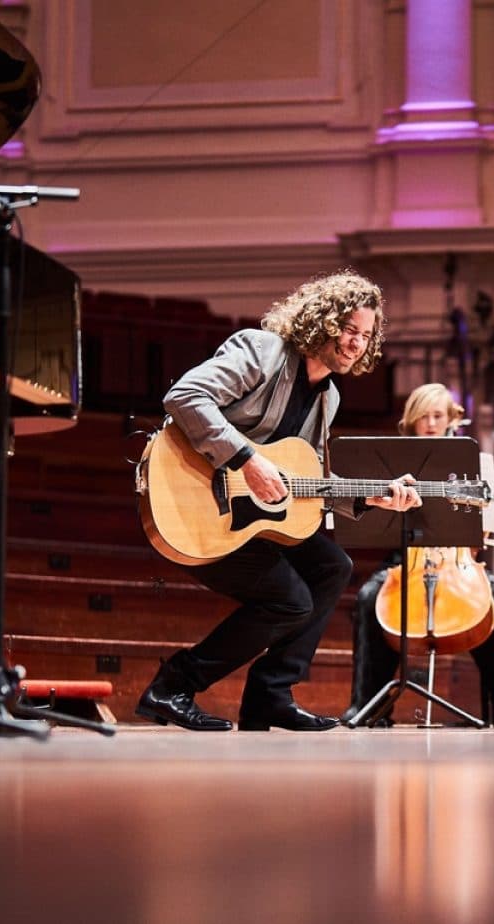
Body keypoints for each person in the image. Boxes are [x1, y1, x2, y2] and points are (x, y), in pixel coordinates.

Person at [137, 270, 422, 732]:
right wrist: (247, 460)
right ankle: (173, 685)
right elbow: (185, 395)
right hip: (192, 504)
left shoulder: (328, 397)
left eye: (365, 336)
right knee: (290, 601)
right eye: (349, 330)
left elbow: (306, 481)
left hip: (246, 518)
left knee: (332, 567)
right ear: (323, 322)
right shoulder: (261, 352)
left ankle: (270, 697)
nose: (356, 344)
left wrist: (371, 498)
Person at [339, 384, 494, 728]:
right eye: (423, 417)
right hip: (405, 562)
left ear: (451, 420)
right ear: (411, 421)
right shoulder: (393, 462)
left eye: (438, 416)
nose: (430, 423)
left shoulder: (467, 461)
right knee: (371, 596)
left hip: (457, 564)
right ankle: (369, 705)